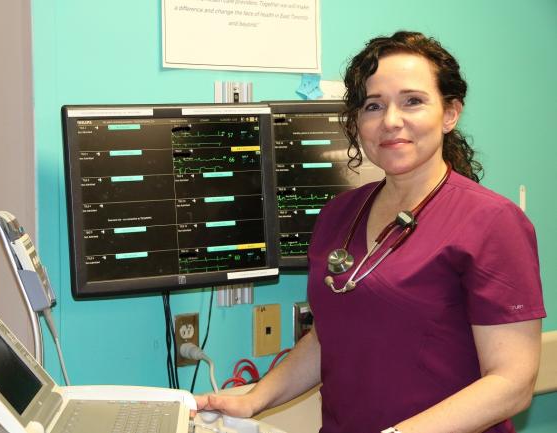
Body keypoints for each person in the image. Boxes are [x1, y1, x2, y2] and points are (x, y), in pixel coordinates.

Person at [196, 31, 546, 433]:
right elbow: (329, 337)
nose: (390, 121)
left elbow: (511, 383)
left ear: (450, 113)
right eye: (373, 106)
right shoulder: (338, 215)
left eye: (412, 101)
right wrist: (252, 399)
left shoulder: (492, 222)